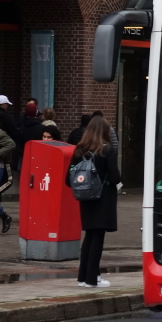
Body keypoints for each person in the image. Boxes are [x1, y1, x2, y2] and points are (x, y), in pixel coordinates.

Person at [64, 116, 120, 288]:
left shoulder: (79, 150)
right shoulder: (106, 150)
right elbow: (115, 177)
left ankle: (83, 277)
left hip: (85, 198)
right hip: (102, 199)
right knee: (98, 237)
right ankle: (92, 279)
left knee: (89, 235)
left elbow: (68, 179)